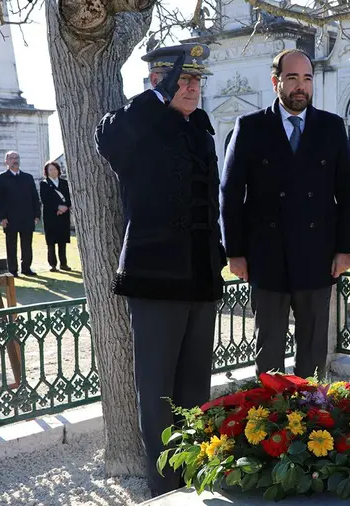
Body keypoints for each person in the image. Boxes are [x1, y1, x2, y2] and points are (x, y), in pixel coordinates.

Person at [95, 43, 225, 498]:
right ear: (158, 82)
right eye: (182, 80)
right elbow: (109, 139)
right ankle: (164, 491)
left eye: (196, 80)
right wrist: (156, 97)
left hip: (200, 279)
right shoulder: (137, 127)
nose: (192, 87)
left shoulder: (201, 130)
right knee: (157, 395)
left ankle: (193, 482)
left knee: (195, 391)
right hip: (156, 280)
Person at [221, 48, 350, 381]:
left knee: (313, 351)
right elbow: (230, 193)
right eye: (292, 78)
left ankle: (312, 410)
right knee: (268, 351)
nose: (301, 86)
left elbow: (347, 193)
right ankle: (270, 411)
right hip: (267, 256)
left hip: (317, 255)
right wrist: (234, 252)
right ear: (275, 82)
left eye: (307, 78)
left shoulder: (331, 127)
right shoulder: (250, 127)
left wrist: (345, 248)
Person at [0, 151, 41, 277]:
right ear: (6, 161)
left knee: (27, 245)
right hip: (10, 218)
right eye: (11, 158)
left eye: (16, 158)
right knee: (11, 245)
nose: (15, 160)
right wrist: (2, 217)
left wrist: (37, 215)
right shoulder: (1, 178)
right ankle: (13, 270)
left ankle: (26, 268)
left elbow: (35, 197)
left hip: (27, 216)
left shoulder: (28, 177)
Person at [39, 161, 72, 272]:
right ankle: (52, 264)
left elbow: (69, 197)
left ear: (58, 170)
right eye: (50, 170)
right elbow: (45, 199)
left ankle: (64, 263)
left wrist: (65, 207)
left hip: (63, 214)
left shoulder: (64, 183)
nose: (53, 171)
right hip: (50, 215)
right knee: (51, 241)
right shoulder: (44, 184)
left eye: (55, 169)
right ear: (47, 172)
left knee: (62, 240)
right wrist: (57, 207)